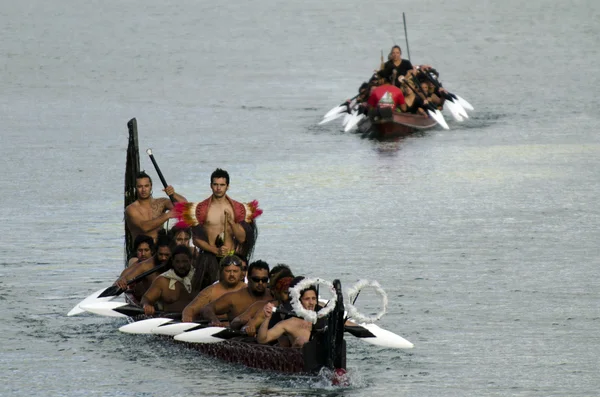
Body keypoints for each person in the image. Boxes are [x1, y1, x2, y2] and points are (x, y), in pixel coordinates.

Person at [173, 168, 262, 291]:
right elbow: (196, 240)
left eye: (222, 185)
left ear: (227, 186)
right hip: (210, 259)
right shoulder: (201, 209)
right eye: (215, 184)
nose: (218, 188)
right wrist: (215, 250)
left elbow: (242, 238)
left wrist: (231, 222)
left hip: (233, 258)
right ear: (211, 185)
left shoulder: (238, 209)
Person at [188, 260, 272, 325]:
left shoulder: (273, 296)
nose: (260, 283)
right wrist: (214, 320)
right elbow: (207, 309)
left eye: (264, 280)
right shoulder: (234, 298)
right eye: (256, 279)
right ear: (248, 278)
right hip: (238, 340)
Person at [180, 255, 246, 322]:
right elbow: (190, 309)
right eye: (228, 271)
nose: (232, 274)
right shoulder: (211, 290)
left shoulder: (247, 290)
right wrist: (187, 317)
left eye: (235, 271)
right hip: (214, 328)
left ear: (241, 272)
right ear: (221, 272)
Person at [125, 171, 187, 243]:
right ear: (135, 188)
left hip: (160, 250)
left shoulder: (161, 202)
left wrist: (173, 194)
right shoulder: (131, 209)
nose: (143, 190)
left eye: (146, 186)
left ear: (151, 186)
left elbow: (185, 207)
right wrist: (167, 215)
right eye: (140, 186)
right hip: (142, 250)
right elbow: (144, 227)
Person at [229, 264, 294, 331]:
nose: (290, 295)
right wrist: (245, 325)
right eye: (286, 292)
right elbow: (239, 325)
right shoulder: (262, 306)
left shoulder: (302, 306)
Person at [256, 281, 319, 348]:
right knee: (301, 340)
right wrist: (267, 318)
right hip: (299, 356)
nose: (311, 302)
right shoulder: (290, 323)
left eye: (313, 298)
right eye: (307, 299)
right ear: (299, 302)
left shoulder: (324, 318)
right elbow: (262, 340)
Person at [141, 245, 195, 315]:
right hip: (168, 321)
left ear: (191, 261)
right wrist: (146, 305)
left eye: (185, 262)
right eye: (177, 262)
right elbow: (145, 299)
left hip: (195, 322)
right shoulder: (162, 281)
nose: (181, 265)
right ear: (172, 262)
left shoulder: (198, 278)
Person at [115, 235, 172, 300]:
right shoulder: (141, 266)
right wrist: (121, 281)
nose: (143, 254)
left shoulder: (175, 261)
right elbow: (118, 282)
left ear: (152, 251)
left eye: (146, 250)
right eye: (140, 250)